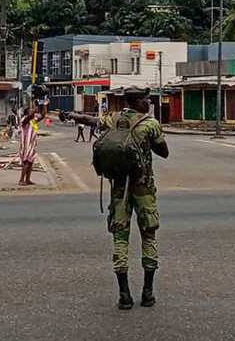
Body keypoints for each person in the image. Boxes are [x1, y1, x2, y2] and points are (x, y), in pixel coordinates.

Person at [61, 86, 169, 310]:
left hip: (119, 188)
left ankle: (124, 294)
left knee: (120, 238)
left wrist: (70, 115)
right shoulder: (149, 124)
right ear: (137, 101)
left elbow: (89, 120)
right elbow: (164, 152)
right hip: (143, 187)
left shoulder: (112, 118)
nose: (149, 103)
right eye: (146, 99)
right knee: (148, 235)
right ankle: (148, 293)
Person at [17, 100, 48, 186]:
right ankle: (21, 179)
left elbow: (42, 116)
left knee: (30, 162)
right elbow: (30, 115)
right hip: (26, 144)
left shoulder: (33, 120)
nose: (33, 112)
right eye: (31, 110)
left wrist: (44, 106)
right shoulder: (24, 119)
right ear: (27, 112)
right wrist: (35, 106)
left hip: (32, 143)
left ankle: (27, 179)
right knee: (26, 161)